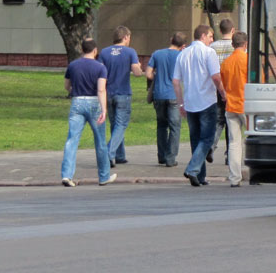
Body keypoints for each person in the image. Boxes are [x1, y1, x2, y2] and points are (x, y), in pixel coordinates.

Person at [172, 24, 227, 186]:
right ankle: (192, 169)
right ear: (203, 36)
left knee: (196, 139)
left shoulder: (183, 54)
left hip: (189, 102)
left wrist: (180, 103)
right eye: (210, 36)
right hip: (207, 101)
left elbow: (175, 82)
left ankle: (200, 176)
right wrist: (223, 93)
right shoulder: (209, 53)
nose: (212, 39)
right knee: (207, 138)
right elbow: (216, 77)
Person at [61, 37, 116, 187]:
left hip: (77, 102)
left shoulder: (73, 65)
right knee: (100, 141)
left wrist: (75, 91)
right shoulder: (100, 67)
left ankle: (67, 175)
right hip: (94, 104)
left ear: (81, 50)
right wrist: (104, 110)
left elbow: (67, 86)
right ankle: (104, 176)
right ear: (95, 50)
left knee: (72, 140)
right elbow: (101, 89)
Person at [99, 25, 142, 168]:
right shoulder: (130, 52)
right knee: (121, 124)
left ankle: (120, 155)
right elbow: (137, 72)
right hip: (123, 92)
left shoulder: (104, 52)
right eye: (129, 37)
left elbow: (100, 73)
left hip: (108, 93)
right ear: (125, 37)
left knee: (115, 125)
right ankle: (109, 153)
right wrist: (138, 67)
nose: (130, 40)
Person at [146, 32, 186, 167]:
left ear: (171, 39)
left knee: (161, 126)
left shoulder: (157, 54)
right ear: (183, 45)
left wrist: (157, 77)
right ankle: (171, 158)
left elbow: (148, 73)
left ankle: (162, 156)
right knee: (175, 127)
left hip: (159, 94)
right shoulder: (182, 56)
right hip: (174, 95)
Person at [219, 31, 248, 187]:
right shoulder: (249, 61)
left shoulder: (226, 63)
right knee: (251, 139)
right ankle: (254, 172)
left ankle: (234, 177)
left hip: (230, 105)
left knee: (234, 143)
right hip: (247, 105)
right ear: (245, 44)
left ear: (232, 45)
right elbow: (260, 82)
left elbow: (222, 85)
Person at [208, 18, 236, 164]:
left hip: (216, 88)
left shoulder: (212, 46)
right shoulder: (235, 48)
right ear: (233, 30)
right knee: (231, 122)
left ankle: (211, 147)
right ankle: (229, 154)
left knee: (218, 120)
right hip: (232, 88)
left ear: (220, 31)